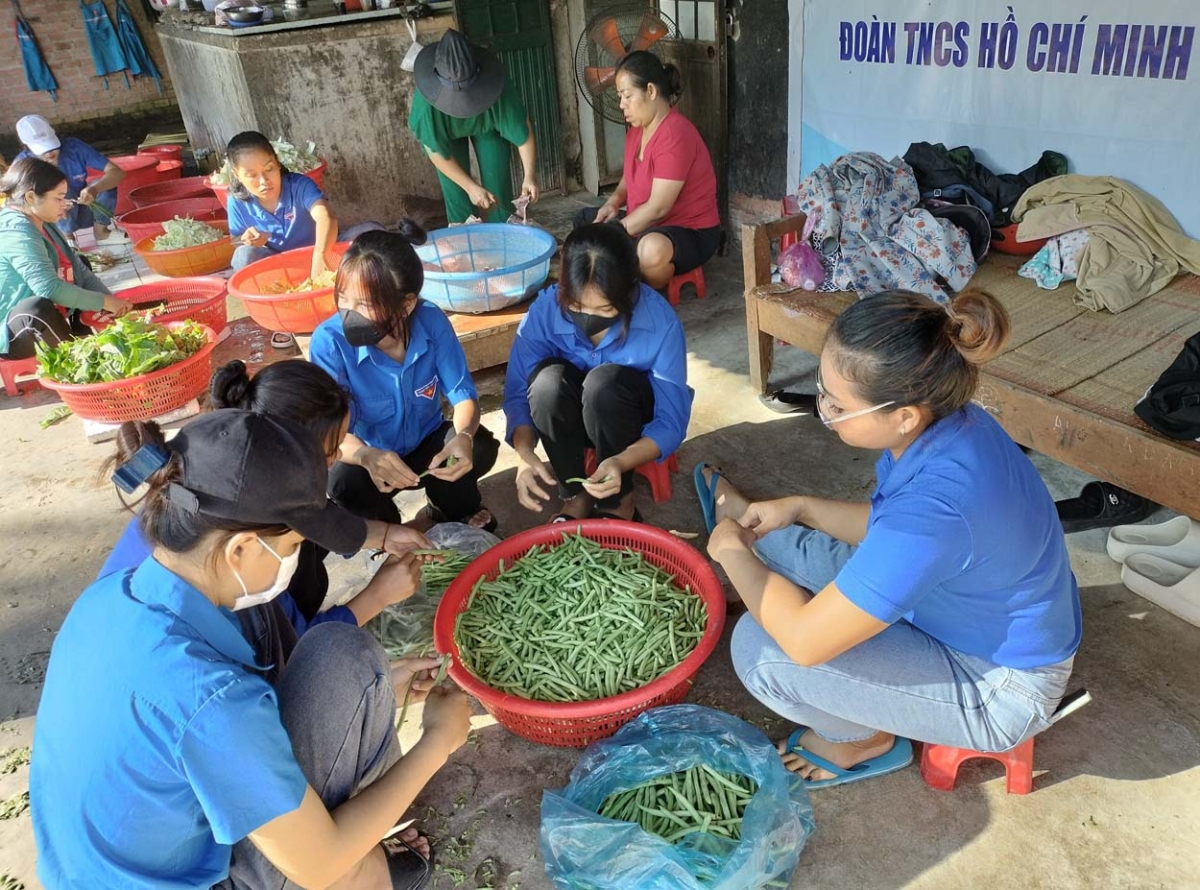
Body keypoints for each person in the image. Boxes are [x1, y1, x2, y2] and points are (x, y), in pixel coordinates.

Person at [31, 410, 471, 889]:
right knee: (343, 866)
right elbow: (319, 864)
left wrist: (383, 676)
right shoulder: (207, 698)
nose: (297, 556)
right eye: (296, 543)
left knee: (344, 653)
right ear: (241, 549)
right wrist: (438, 742)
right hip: (188, 878)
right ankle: (368, 873)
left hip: (108, 864)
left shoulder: (115, 593)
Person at [697, 289, 1081, 788]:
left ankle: (862, 740)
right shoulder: (953, 421)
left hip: (998, 684)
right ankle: (747, 525)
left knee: (761, 649)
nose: (825, 411)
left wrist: (729, 554)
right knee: (771, 539)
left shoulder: (934, 511)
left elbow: (806, 642)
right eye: (823, 391)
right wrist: (802, 507)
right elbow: (890, 527)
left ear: (903, 415)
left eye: (837, 405)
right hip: (954, 606)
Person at [98, 359, 436, 653]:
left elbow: (318, 520)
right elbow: (295, 649)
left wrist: (385, 535)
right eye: (331, 450)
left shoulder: (198, 482)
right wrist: (376, 596)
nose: (337, 459)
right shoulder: (236, 580)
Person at [311, 225, 500, 531]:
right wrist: (364, 455)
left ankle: (449, 507)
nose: (348, 312)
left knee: (477, 446)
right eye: (342, 298)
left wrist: (462, 438)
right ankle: (388, 530)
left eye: (366, 304)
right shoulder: (329, 343)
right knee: (343, 482)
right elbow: (328, 434)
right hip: (371, 457)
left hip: (427, 446)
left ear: (406, 304)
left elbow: (463, 395)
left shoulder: (432, 321)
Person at [504, 223, 691, 523]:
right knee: (546, 385)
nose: (589, 317)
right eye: (577, 306)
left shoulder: (660, 322)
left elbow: (671, 421)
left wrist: (619, 461)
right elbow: (516, 396)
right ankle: (575, 494)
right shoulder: (544, 311)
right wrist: (524, 456)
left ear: (630, 289)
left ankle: (619, 502)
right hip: (572, 418)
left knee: (604, 385)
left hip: (628, 421)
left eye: (605, 310)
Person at [575, 51, 720, 290]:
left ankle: (629, 276)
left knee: (650, 250)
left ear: (651, 91)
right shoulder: (637, 130)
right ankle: (623, 267)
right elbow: (629, 178)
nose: (622, 105)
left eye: (627, 96)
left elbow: (659, 207)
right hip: (644, 225)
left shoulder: (675, 134)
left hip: (688, 231)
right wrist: (613, 202)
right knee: (584, 222)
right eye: (620, 97)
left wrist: (615, 233)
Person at [0, 158, 131, 360]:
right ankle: (80, 359)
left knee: (79, 266)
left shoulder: (42, 220)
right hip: (12, 331)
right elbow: (49, 289)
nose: (65, 204)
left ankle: (85, 341)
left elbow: (79, 268)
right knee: (35, 309)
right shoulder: (16, 231)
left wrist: (111, 305)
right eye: (58, 198)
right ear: (31, 197)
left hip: (48, 312)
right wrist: (103, 301)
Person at [408, 28, 538, 224]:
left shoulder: (498, 85)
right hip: (448, 137)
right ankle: (464, 241)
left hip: (488, 129)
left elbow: (522, 133)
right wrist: (470, 187)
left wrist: (530, 176)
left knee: (497, 187)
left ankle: (503, 234)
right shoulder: (426, 104)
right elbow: (435, 151)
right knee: (457, 194)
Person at [14, 114, 125, 242]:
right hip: (52, 221)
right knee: (55, 190)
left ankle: (101, 231)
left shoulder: (74, 147)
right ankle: (67, 239)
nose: (50, 154)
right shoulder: (22, 164)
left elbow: (117, 172)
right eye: (43, 150)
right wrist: (51, 204)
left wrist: (94, 189)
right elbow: (18, 205)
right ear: (27, 146)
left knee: (106, 187)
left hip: (84, 209)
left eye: (52, 147)